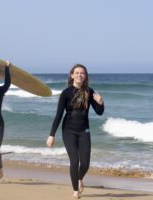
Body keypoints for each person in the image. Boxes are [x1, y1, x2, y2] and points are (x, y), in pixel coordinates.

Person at [46, 64, 104, 198]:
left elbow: (99, 112)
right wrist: (51, 135)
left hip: (84, 130)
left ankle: (79, 179)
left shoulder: (89, 92)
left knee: (85, 163)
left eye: (82, 73)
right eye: (76, 73)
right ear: (72, 75)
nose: (79, 75)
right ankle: (75, 191)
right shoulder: (66, 93)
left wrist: (101, 102)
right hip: (68, 131)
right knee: (74, 161)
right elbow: (59, 115)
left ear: (85, 76)